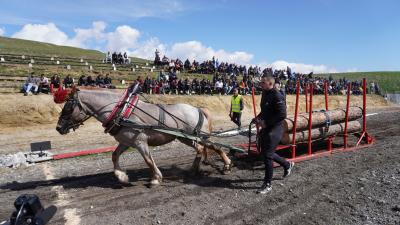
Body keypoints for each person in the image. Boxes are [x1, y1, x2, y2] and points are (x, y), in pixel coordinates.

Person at [254, 76, 294, 194]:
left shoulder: (277, 95)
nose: (260, 84)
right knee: (265, 152)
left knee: (267, 155)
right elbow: (265, 110)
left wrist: (266, 122)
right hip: (267, 127)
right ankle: (287, 164)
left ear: (270, 83)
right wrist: (258, 118)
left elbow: (282, 114)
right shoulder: (265, 93)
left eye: (263, 82)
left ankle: (267, 184)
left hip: (276, 128)